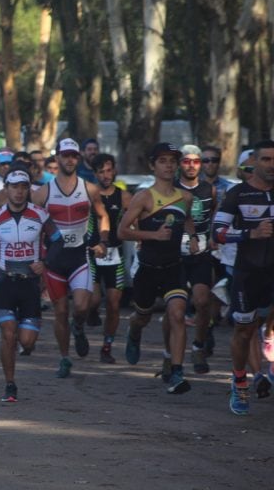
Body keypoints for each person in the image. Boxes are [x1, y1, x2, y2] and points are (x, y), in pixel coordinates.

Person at [118, 142, 199, 395]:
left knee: (177, 314)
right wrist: (153, 235)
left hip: (174, 267)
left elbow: (187, 220)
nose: (169, 166)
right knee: (143, 316)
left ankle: (176, 372)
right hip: (148, 269)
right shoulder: (144, 197)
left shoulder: (185, 197)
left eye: (173, 161)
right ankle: (133, 330)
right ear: (153, 166)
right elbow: (122, 231)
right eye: (163, 161)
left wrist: (194, 238)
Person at [0, 165, 62, 401]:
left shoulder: (40, 215)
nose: (19, 192)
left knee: (26, 341)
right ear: (6, 189)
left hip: (30, 286)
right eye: (14, 187)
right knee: (8, 335)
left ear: (28, 189)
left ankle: (18, 337)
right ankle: (10, 384)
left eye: (23, 187)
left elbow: (58, 241)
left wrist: (45, 263)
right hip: (5, 283)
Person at [31, 138, 109, 378]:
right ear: (58, 158)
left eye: (73, 155)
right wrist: (36, 258)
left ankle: (79, 327)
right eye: (65, 155)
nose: (69, 159)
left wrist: (103, 241)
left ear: (78, 158)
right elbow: (33, 225)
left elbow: (103, 215)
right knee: (61, 311)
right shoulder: (44, 192)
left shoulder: (90, 188)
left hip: (79, 258)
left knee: (82, 306)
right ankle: (65, 358)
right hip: (54, 262)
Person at [212, 139, 274, 415]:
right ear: (254, 163)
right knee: (244, 329)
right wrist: (251, 234)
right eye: (266, 160)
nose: (271, 165)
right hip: (248, 272)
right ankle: (239, 381)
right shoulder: (238, 194)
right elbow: (218, 233)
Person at [176, 145, 217, 374]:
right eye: (186, 161)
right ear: (180, 164)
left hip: (201, 253)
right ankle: (171, 354)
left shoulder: (208, 190)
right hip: (175, 255)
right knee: (177, 309)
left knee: (202, 302)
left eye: (195, 161)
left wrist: (212, 238)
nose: (191, 166)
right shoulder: (170, 189)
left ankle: (198, 346)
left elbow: (213, 215)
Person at [88, 153, 131, 363]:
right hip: (91, 253)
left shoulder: (123, 196)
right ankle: (82, 320)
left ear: (114, 170)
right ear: (95, 173)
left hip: (114, 254)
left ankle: (107, 346)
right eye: (101, 171)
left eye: (109, 170)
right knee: (93, 299)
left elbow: (136, 217)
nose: (106, 175)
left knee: (114, 304)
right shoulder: (88, 194)